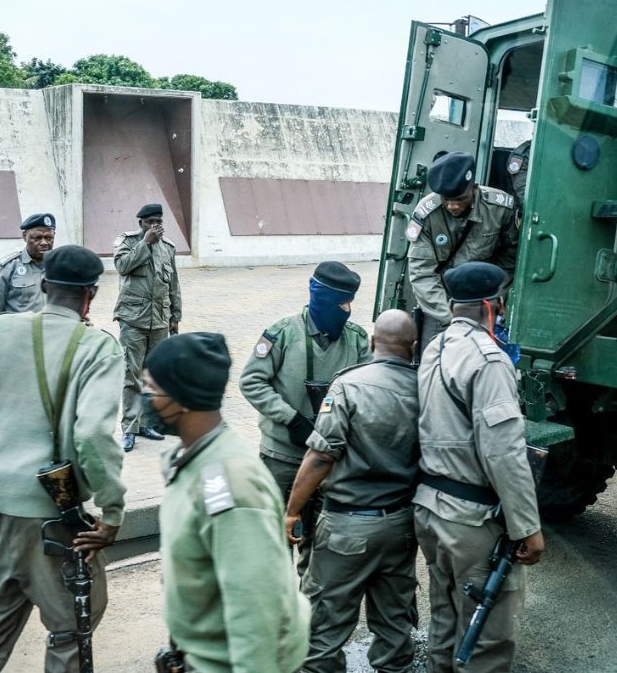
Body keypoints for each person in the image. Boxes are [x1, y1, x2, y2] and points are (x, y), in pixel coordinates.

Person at [0, 245, 126, 672]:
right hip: (49, 508)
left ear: (45, 284)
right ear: (92, 294)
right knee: (70, 626)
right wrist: (112, 510)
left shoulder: (1, 331)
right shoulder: (99, 348)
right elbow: (91, 434)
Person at [149, 332, 310, 673]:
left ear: (181, 399)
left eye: (153, 389)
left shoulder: (227, 485)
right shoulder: (194, 460)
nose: (145, 398)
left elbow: (256, 613)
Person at [415, 261, 544, 673]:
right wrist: (528, 528)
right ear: (494, 305)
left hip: (432, 509)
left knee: (446, 619)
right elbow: (504, 453)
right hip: (469, 520)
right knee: (485, 638)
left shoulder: (434, 347)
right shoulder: (489, 360)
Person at [285, 308, 420, 673]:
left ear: (373, 342)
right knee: (395, 621)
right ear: (414, 346)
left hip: (347, 528)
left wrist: (293, 510)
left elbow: (320, 456)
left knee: (322, 628)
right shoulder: (425, 386)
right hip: (403, 525)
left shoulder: (348, 384)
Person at [239, 261, 371, 575]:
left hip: (329, 459)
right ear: (322, 300)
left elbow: (366, 391)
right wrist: (291, 418)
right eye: (341, 303)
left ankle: (312, 611)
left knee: (323, 542)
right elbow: (251, 381)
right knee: (274, 535)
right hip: (282, 456)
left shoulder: (357, 340)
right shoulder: (282, 334)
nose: (348, 310)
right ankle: (276, 608)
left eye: (350, 302)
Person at [407, 151, 520, 345]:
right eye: (446, 199)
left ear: (474, 188)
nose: (452, 206)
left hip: (485, 300)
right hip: (442, 302)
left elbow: (511, 258)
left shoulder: (500, 208)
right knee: (434, 359)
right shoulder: (427, 214)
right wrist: (452, 319)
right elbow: (422, 273)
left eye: (460, 199)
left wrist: (494, 300)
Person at [114, 203, 182, 452]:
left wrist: (176, 315)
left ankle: (146, 423)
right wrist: (146, 242)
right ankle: (129, 429)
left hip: (160, 319)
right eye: (150, 221)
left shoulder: (169, 248)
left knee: (152, 376)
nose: (156, 226)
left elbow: (173, 283)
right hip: (133, 319)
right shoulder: (129, 242)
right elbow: (122, 267)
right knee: (131, 374)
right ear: (140, 222)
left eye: (159, 221)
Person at [0, 212, 57, 328]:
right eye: (37, 238)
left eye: (49, 238)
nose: (44, 243)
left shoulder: (61, 267)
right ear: (24, 236)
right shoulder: (8, 268)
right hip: (19, 340)